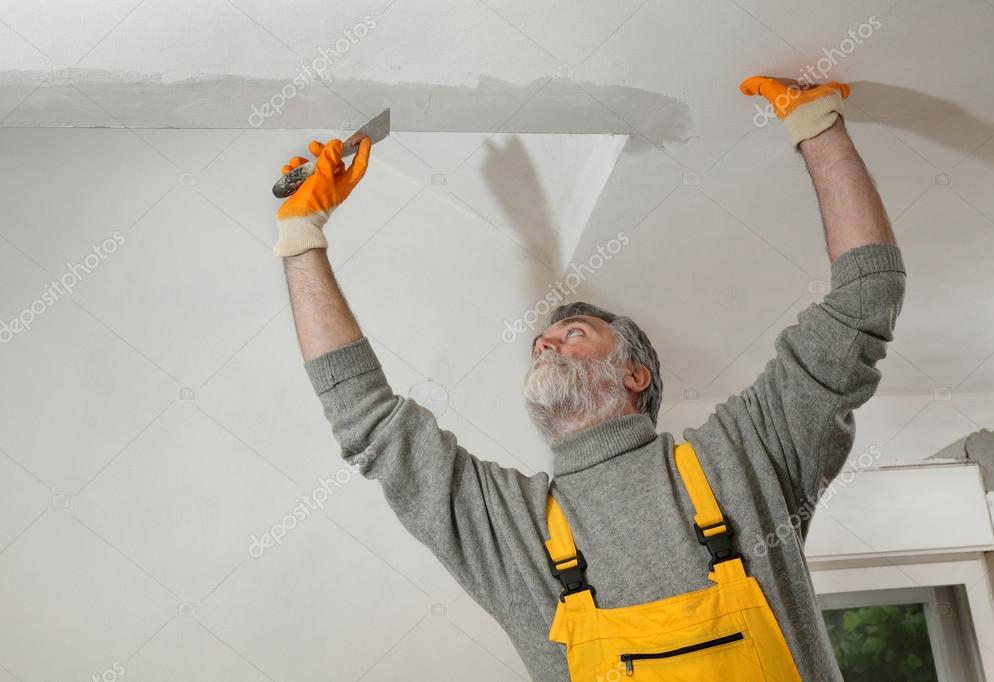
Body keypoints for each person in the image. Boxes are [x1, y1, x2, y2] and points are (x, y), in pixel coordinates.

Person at [272, 76, 907, 681]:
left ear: (636, 374)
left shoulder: (746, 455)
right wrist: (301, 239)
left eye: (573, 332)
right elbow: (370, 424)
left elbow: (863, 301)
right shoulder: (509, 527)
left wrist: (815, 122)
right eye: (541, 341)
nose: (546, 339)